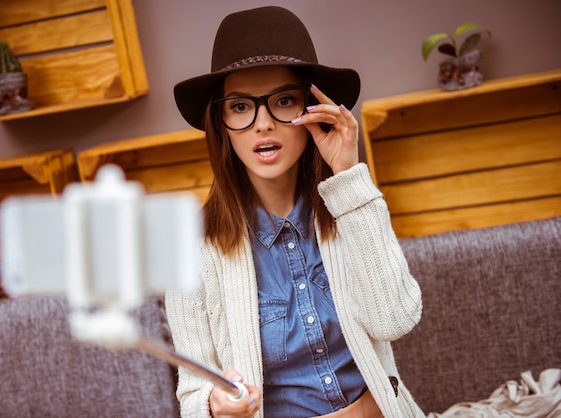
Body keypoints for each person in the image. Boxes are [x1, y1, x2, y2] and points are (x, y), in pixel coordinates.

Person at [166, 6, 424, 418]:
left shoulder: (349, 208)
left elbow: (395, 318)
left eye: (283, 101)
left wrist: (349, 176)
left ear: (311, 110)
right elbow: (192, 397)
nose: (263, 123)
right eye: (240, 107)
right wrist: (213, 406)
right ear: (220, 121)